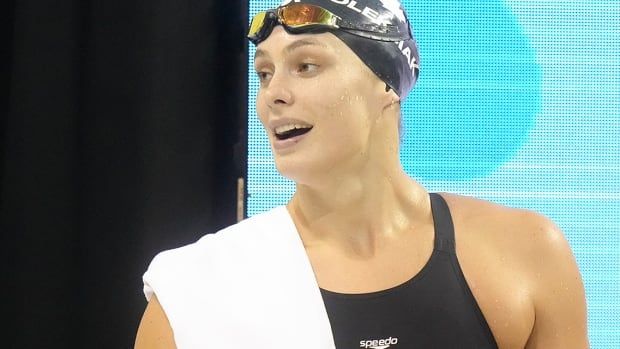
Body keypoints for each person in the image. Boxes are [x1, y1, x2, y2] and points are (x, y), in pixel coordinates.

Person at [134, 0, 589, 348]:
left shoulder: (524, 253)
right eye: (265, 73)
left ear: (387, 82)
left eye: (306, 65)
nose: (273, 94)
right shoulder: (196, 289)